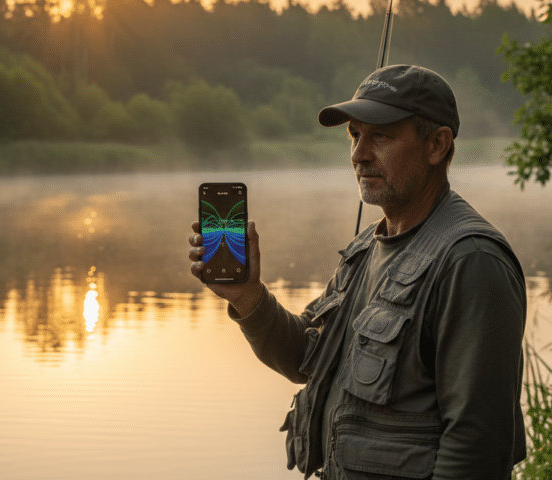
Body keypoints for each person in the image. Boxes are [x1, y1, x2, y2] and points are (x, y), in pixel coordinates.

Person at [187, 65, 526, 479]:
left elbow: (477, 447)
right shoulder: (368, 247)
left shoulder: (471, 261)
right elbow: (307, 358)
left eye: (380, 136)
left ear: (437, 145)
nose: (359, 154)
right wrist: (248, 296)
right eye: (354, 135)